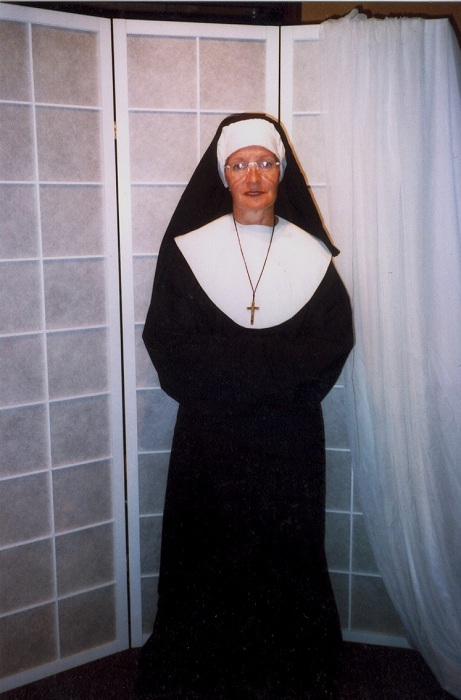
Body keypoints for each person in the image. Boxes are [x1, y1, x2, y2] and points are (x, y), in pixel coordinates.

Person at [138, 113, 354, 699]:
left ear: (282, 173)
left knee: (287, 550)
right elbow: (167, 339)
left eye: (264, 163)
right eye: (239, 165)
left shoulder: (311, 255)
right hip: (211, 432)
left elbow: (332, 340)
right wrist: (255, 379)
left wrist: (255, 380)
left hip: (288, 434)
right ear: (222, 174)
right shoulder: (187, 252)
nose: (253, 177)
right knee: (208, 548)